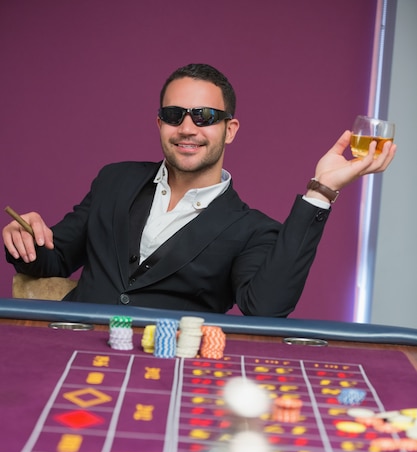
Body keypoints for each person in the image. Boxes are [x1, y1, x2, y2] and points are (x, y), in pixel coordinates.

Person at [3, 63, 396, 317]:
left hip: (173, 371)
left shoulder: (253, 231)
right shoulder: (114, 179)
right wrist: (26, 241)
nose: (187, 128)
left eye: (205, 117)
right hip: (72, 350)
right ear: (159, 123)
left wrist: (321, 190)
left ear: (230, 129)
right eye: (175, 115)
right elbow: (53, 260)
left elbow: (267, 307)